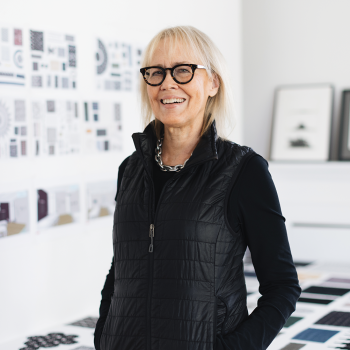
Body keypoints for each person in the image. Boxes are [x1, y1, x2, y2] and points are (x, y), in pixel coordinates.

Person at [94, 26, 301, 350]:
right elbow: (121, 268)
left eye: (183, 71)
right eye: (156, 72)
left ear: (213, 83)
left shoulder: (244, 170)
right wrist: (103, 335)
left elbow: (283, 286)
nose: (167, 83)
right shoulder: (130, 169)